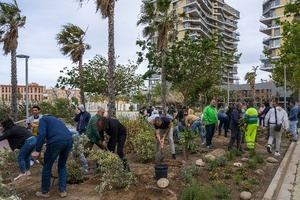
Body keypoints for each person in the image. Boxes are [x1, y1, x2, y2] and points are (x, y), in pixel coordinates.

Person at [31, 115, 73, 198]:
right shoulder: (57, 120)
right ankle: (62, 191)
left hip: (56, 142)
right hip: (69, 140)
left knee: (47, 166)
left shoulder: (42, 120)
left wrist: (37, 150)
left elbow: (42, 134)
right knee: (62, 165)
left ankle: (45, 191)